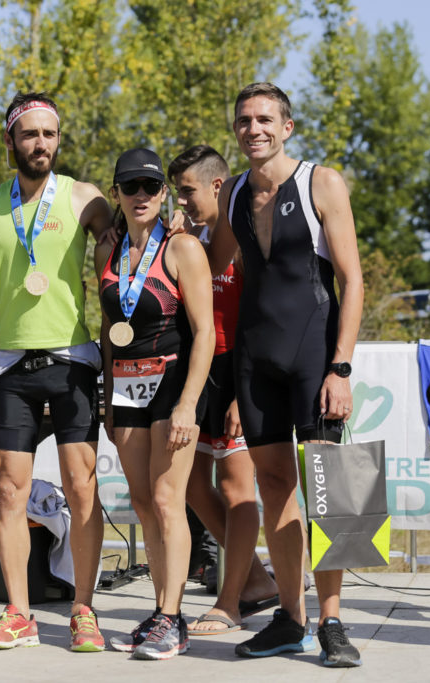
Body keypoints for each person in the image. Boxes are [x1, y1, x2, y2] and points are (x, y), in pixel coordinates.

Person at [205, 83, 364, 667]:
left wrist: (341, 368)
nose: (254, 129)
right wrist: (161, 232)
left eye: (265, 119)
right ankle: (291, 618)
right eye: (245, 120)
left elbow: (352, 279)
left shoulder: (322, 182)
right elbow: (212, 259)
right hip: (255, 359)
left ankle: (333, 620)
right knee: (274, 489)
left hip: (314, 357)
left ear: (287, 127)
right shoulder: (235, 194)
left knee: (331, 490)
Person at [0, 92, 113, 652]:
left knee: (82, 489)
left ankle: (83, 609)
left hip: (73, 361)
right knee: (10, 492)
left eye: (49, 135)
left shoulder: (86, 198)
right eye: (29, 135)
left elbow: (124, 243)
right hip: (11, 364)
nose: (40, 145)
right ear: (10, 140)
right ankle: (19, 614)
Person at [96, 148, 214, 660]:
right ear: (116, 193)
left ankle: (173, 615)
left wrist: (189, 402)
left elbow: (207, 331)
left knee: (169, 502)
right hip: (125, 387)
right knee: (142, 502)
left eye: (150, 187)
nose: (140, 196)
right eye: (130, 187)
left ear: (163, 193)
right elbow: (107, 330)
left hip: (171, 386)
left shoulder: (182, 246)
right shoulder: (110, 248)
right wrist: (105, 396)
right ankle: (160, 609)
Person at [167, 145, 278, 635]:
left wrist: (241, 392)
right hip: (199, 366)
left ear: (217, 185)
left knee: (237, 490)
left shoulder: (247, 231)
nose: (182, 200)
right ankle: (254, 579)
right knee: (190, 485)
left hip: (238, 367)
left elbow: (262, 316)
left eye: (188, 190)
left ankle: (229, 602)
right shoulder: (186, 237)